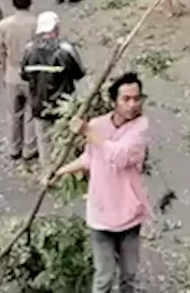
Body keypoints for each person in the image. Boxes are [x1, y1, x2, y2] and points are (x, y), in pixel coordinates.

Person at [52, 72, 150, 293]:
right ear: (113, 101)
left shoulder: (140, 128)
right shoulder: (98, 125)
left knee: (128, 275)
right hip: (101, 215)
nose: (132, 104)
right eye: (126, 99)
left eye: (136, 98)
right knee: (104, 276)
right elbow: (90, 157)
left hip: (128, 215)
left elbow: (120, 156)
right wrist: (60, 171)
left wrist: (86, 131)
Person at [20, 11, 85, 166]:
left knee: (44, 141)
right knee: (65, 139)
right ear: (55, 28)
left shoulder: (29, 50)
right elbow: (79, 73)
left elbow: (24, 75)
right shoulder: (65, 50)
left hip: (38, 104)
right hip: (63, 105)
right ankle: (65, 169)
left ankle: (48, 172)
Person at [0, 0, 38, 161]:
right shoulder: (36, 24)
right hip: (31, 73)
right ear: (30, 2)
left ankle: (14, 147)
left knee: (14, 113)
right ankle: (29, 146)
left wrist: (4, 68)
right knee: (32, 111)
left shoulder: (4, 25)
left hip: (12, 72)